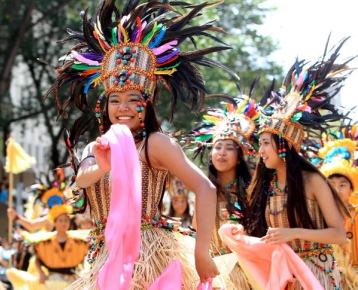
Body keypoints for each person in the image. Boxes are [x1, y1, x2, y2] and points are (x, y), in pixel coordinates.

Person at [46, 0, 238, 288]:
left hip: (147, 257)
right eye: (115, 100)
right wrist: (104, 162)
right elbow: (83, 180)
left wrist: (201, 250)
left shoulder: (155, 143)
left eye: (133, 100)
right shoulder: (95, 147)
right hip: (105, 258)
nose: (123, 107)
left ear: (146, 106)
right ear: (104, 107)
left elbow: (205, 187)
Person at [241, 40, 353, 289]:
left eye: (266, 143)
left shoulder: (312, 181)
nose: (260, 151)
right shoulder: (267, 184)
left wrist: (294, 233)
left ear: (284, 146)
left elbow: (338, 234)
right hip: (283, 274)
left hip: (316, 272)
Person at [185, 95, 258, 289]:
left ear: (240, 157)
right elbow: (195, 233)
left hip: (248, 273)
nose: (222, 153)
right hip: (214, 275)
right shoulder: (204, 190)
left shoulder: (253, 192)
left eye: (229, 148)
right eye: (217, 147)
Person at [6, 189, 88, 290]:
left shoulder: (71, 216)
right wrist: (16, 217)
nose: (63, 223)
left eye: (65, 221)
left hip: (71, 263)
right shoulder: (48, 219)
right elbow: (31, 226)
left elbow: (86, 228)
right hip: (48, 259)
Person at [315, 124, 358, 289]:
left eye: (342, 185)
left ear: (351, 189)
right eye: (331, 184)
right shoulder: (318, 216)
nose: (337, 190)